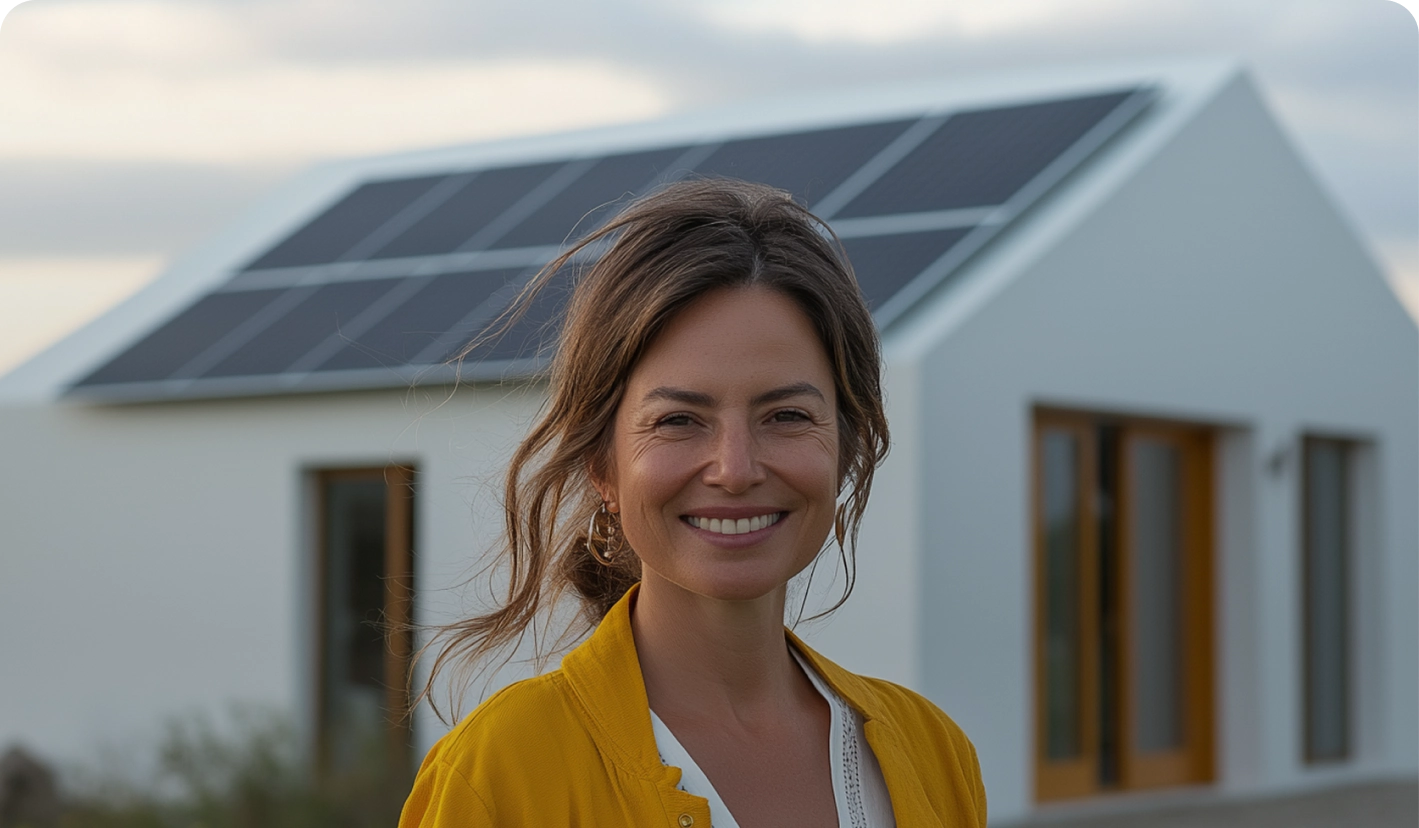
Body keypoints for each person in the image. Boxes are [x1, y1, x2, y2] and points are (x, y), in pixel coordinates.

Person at [399, 178, 986, 827]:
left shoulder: (934, 754)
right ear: (602, 466)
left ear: (846, 448)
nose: (735, 470)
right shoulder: (499, 773)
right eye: (678, 420)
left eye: (786, 415)